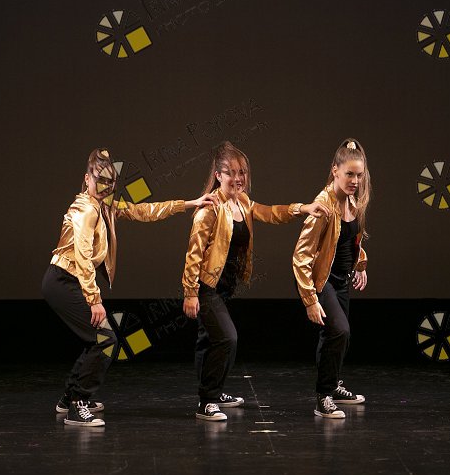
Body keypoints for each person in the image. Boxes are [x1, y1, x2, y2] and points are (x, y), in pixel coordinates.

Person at [42, 148, 217, 426]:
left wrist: (189, 203)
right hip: (63, 280)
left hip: (71, 280)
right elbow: (82, 255)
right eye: (99, 180)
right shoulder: (85, 210)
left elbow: (144, 211)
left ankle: (69, 398)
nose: (105, 187)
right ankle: (78, 404)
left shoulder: (105, 205)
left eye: (110, 182)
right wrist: (94, 299)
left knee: (97, 339)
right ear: (87, 179)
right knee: (105, 340)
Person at [182, 141, 330, 421]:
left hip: (225, 285)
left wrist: (303, 208)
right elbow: (194, 254)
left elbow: (271, 212)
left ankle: (212, 392)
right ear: (218, 175)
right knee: (227, 338)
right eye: (231, 173)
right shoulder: (209, 209)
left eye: (242, 172)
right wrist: (190, 292)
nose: (238, 178)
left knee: (208, 340)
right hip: (206, 286)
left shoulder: (243, 202)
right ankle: (207, 402)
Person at [292, 138, 371, 419]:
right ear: (335, 171)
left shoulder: (352, 201)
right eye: (349, 174)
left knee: (338, 337)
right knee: (340, 331)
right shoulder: (323, 206)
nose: (355, 181)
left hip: (341, 280)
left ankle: (334, 386)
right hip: (321, 280)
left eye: (359, 175)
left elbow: (351, 240)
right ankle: (323, 397)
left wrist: (360, 265)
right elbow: (300, 256)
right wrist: (310, 299)